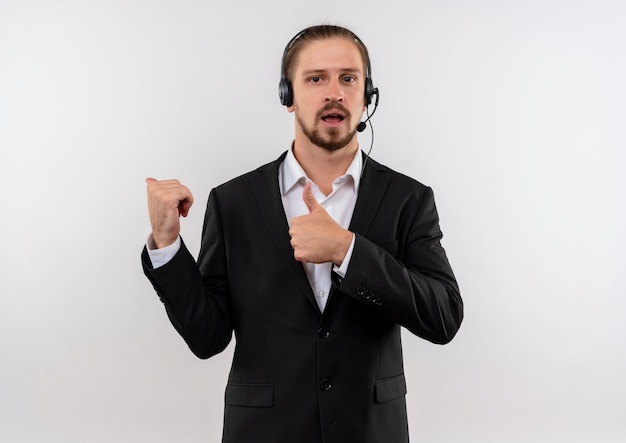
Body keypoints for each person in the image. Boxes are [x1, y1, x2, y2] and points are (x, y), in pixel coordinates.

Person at [142, 24, 463, 443]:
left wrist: (347, 251)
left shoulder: (409, 199)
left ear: (368, 96)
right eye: (316, 79)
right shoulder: (234, 201)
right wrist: (167, 243)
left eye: (349, 78)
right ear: (287, 96)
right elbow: (208, 337)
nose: (335, 92)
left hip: (369, 432)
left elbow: (444, 317)